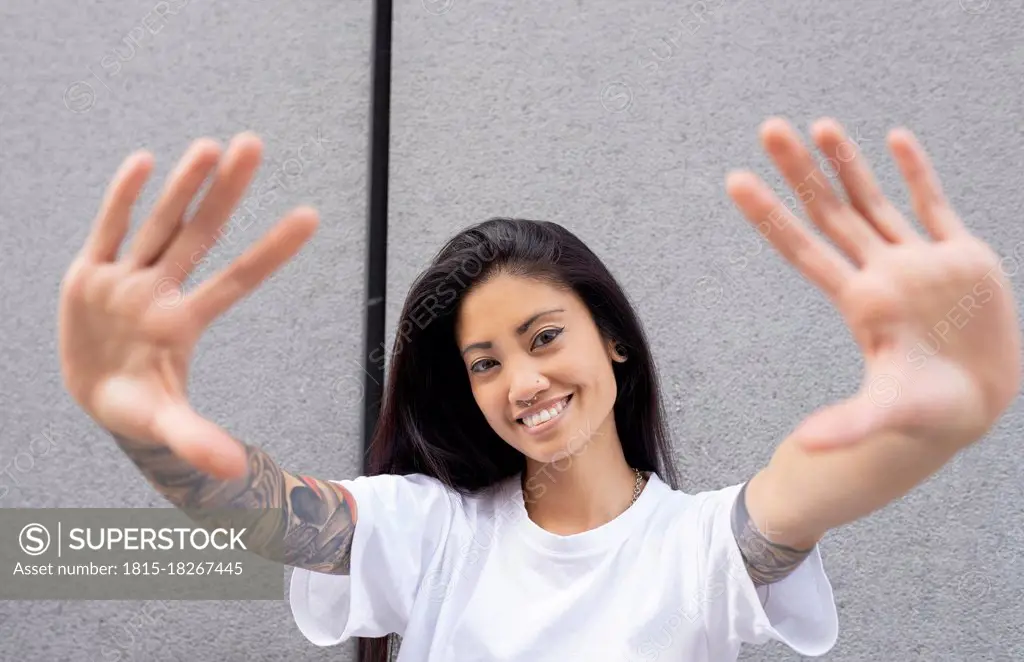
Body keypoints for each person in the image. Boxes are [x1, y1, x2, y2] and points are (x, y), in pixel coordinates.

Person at [57, 116, 1021, 661]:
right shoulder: (432, 532)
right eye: (485, 363)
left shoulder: (696, 551)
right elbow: (273, 516)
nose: (522, 382)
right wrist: (139, 423)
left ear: (614, 343)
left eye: (543, 337)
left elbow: (812, 487)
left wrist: (940, 408)